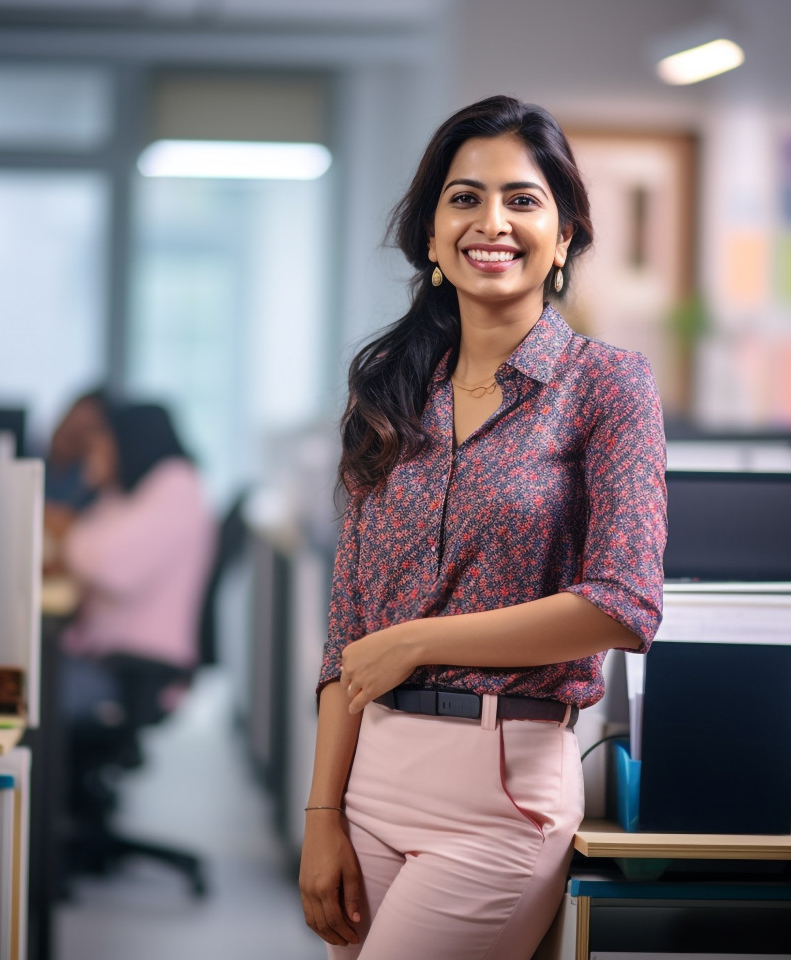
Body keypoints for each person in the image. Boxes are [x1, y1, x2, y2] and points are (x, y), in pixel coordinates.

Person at [298, 95, 667, 960]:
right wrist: (320, 816)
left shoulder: (607, 386)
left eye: (522, 199)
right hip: (369, 785)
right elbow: (348, 636)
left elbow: (624, 604)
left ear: (565, 235)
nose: (490, 222)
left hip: (499, 790)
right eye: (463, 198)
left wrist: (418, 641)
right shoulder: (389, 393)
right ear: (430, 236)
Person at [51, 401, 215, 719]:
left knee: (40, 692)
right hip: (108, 657)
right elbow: (87, 538)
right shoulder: (134, 491)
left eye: (101, 446)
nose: (94, 456)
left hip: (135, 667)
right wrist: (97, 481)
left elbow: (106, 564)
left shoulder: (177, 485)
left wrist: (73, 531)